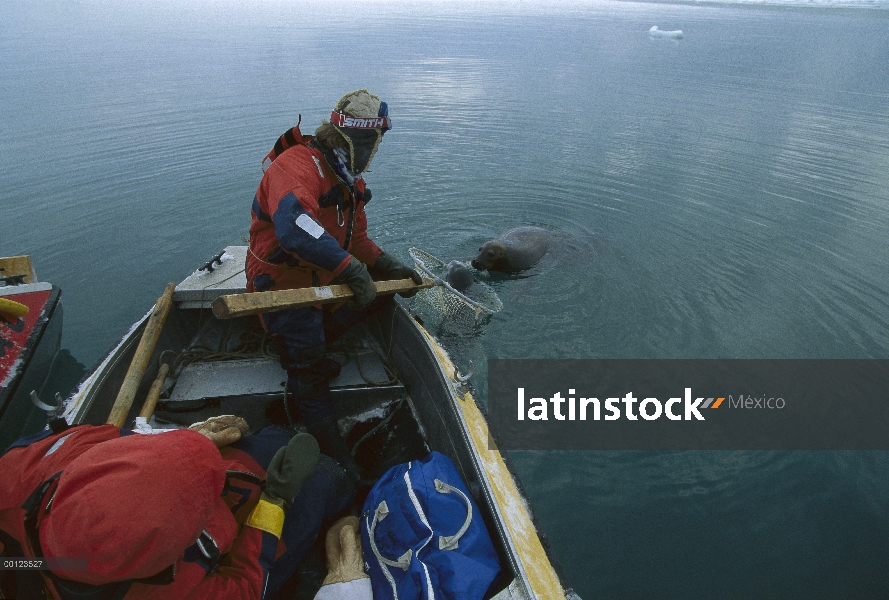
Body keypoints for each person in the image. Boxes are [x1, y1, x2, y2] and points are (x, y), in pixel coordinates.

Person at [246, 89, 422, 482]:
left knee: (380, 291)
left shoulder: (347, 178)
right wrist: (351, 270)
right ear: (352, 139)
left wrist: (386, 265)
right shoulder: (296, 167)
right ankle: (338, 457)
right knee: (309, 370)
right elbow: (294, 228)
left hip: (323, 275)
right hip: (285, 286)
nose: (372, 148)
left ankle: (316, 340)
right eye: (369, 140)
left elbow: (355, 238)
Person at [0, 417, 353, 599]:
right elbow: (245, 587)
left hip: (48, 563)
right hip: (244, 528)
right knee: (321, 486)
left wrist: (192, 439)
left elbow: (113, 436)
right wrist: (275, 502)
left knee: (273, 440)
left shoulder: (23, 471)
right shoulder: (169, 591)